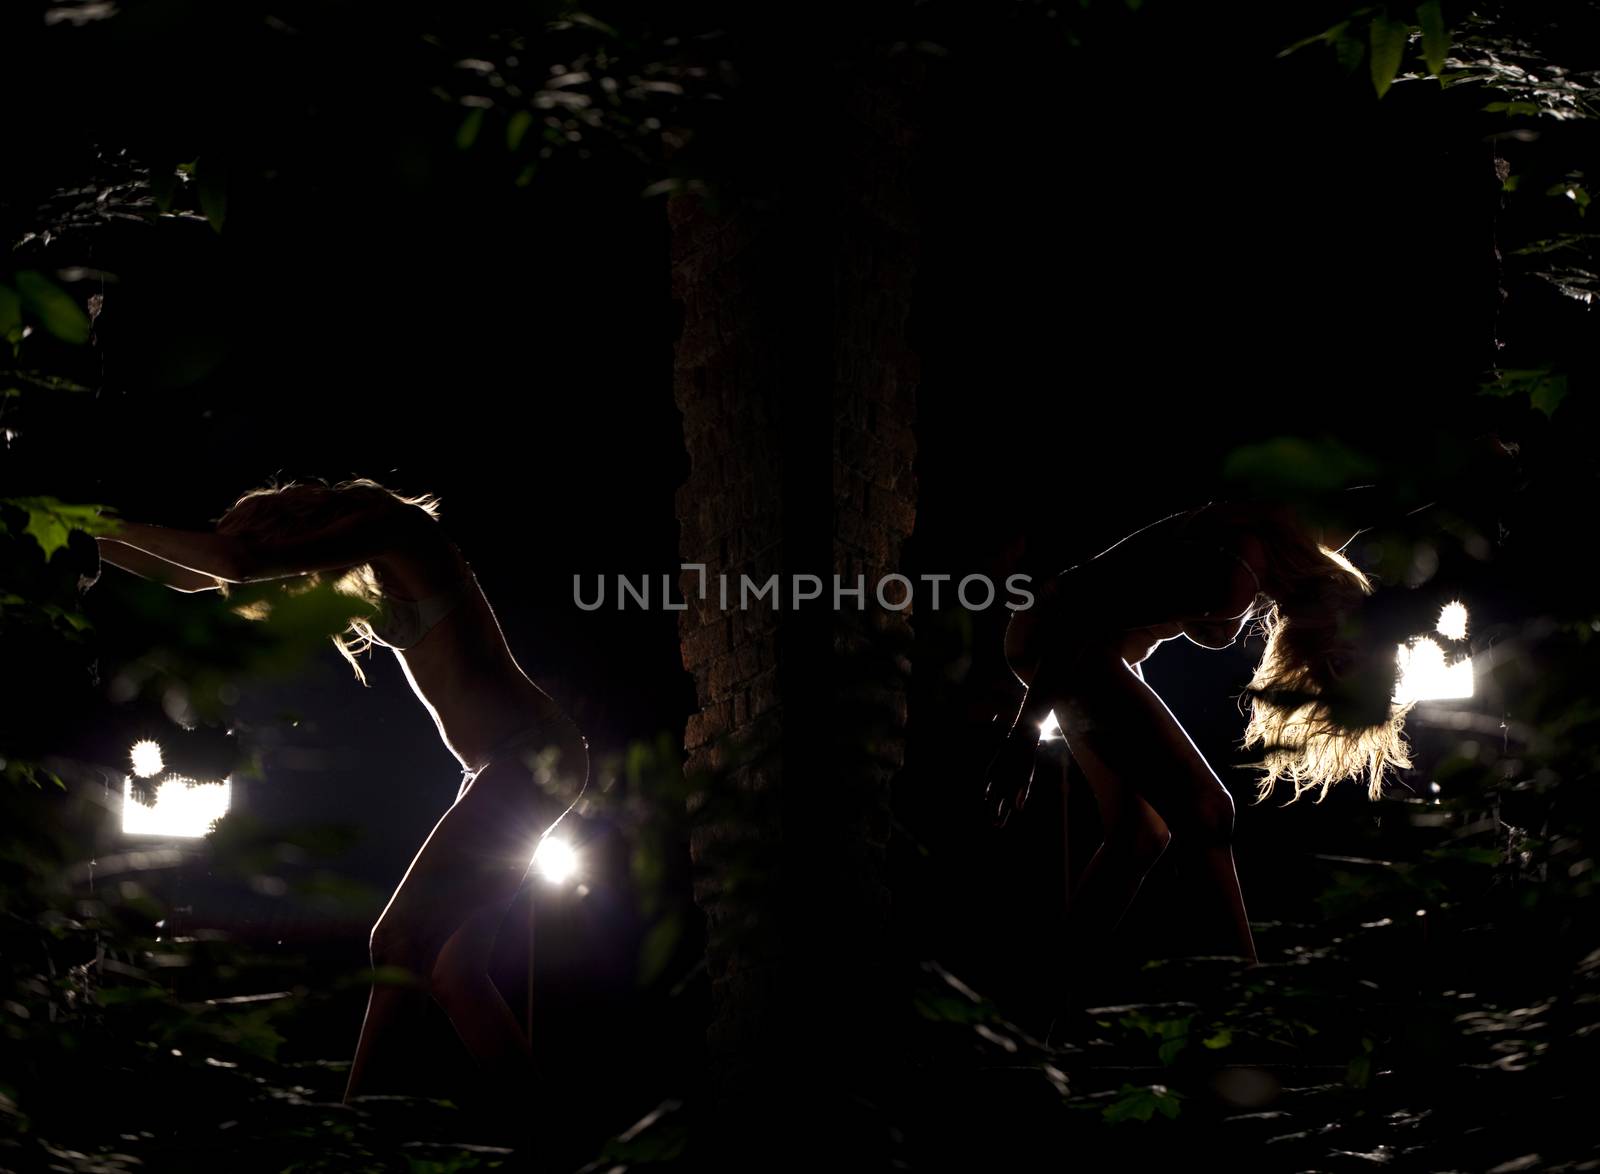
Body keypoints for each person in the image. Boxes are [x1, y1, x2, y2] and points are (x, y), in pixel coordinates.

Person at [94, 478, 588, 1105]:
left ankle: (352, 1136)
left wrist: (102, 525)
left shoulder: (398, 530)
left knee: (395, 942)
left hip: (531, 754)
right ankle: (550, 1144)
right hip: (498, 765)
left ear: (287, 526)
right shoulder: (372, 559)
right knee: (455, 974)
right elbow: (201, 576)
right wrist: (91, 538)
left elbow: (235, 563)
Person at [985, 498, 1412, 969]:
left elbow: (1386, 500)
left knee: (1139, 837)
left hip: (1089, 646)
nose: (1311, 672)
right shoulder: (1233, 577)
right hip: (1057, 640)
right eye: (1331, 668)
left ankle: (1041, 1016)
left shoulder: (1300, 544)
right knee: (1208, 812)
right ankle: (1249, 1005)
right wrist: (1023, 737)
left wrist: (1481, 463)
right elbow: (1075, 621)